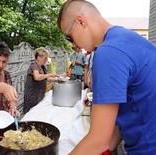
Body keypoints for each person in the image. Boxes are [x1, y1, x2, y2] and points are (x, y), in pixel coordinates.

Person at [57, 0, 156, 154]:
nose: (74, 44)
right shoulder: (128, 38)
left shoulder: (109, 52)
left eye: (69, 37)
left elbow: (98, 141)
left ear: (80, 21)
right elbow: (124, 113)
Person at [23, 47, 58, 114]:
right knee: (31, 115)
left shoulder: (42, 67)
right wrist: (49, 74)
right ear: (38, 57)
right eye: (45, 58)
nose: (46, 60)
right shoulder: (34, 66)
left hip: (39, 95)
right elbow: (37, 77)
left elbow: (45, 78)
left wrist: (56, 79)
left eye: (46, 58)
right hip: (32, 96)